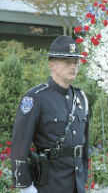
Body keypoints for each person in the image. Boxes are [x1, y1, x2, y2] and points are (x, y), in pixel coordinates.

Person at [10, 35, 89, 193]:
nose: (73, 67)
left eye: (75, 62)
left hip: (76, 183)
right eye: (67, 62)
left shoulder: (81, 98)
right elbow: (20, 145)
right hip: (49, 184)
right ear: (52, 65)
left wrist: (84, 177)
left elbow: (84, 145)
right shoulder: (36, 98)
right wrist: (25, 186)